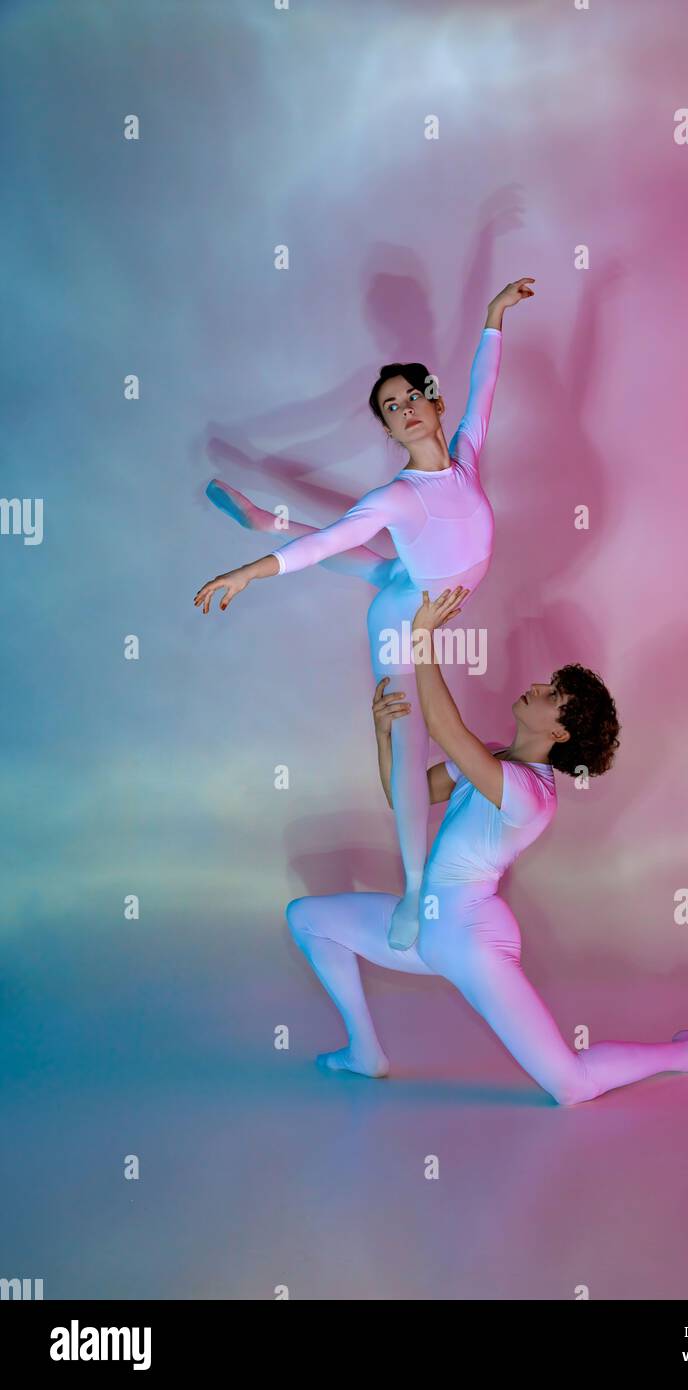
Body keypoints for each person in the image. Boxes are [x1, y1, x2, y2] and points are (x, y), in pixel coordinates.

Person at [286, 588, 688, 1106]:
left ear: (557, 730)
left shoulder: (531, 794)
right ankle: (364, 1053)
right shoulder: (491, 759)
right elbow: (409, 799)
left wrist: (422, 636)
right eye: (550, 685)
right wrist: (383, 735)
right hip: (423, 926)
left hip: (471, 941)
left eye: (553, 695)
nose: (537, 687)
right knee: (307, 917)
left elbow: (445, 727)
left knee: (570, 1086)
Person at [194, 280, 535, 948]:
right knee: (409, 740)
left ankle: (265, 517)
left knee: (385, 567)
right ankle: (413, 890)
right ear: (384, 428)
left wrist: (494, 316)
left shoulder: (464, 455)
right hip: (404, 622)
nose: (405, 409)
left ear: (433, 404)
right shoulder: (397, 498)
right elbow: (324, 544)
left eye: (413, 397)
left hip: (418, 581)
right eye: (390, 408)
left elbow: (485, 386)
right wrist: (245, 576)